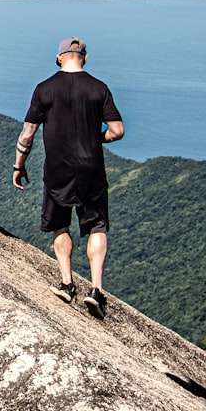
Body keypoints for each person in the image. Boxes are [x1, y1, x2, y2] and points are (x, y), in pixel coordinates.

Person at [12, 37, 124, 320]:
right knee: (97, 226)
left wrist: (19, 165)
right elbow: (117, 130)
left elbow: (27, 134)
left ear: (59, 58)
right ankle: (96, 291)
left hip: (57, 168)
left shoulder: (44, 89)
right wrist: (97, 139)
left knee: (60, 225)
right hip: (91, 167)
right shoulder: (99, 88)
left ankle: (67, 284)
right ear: (84, 58)